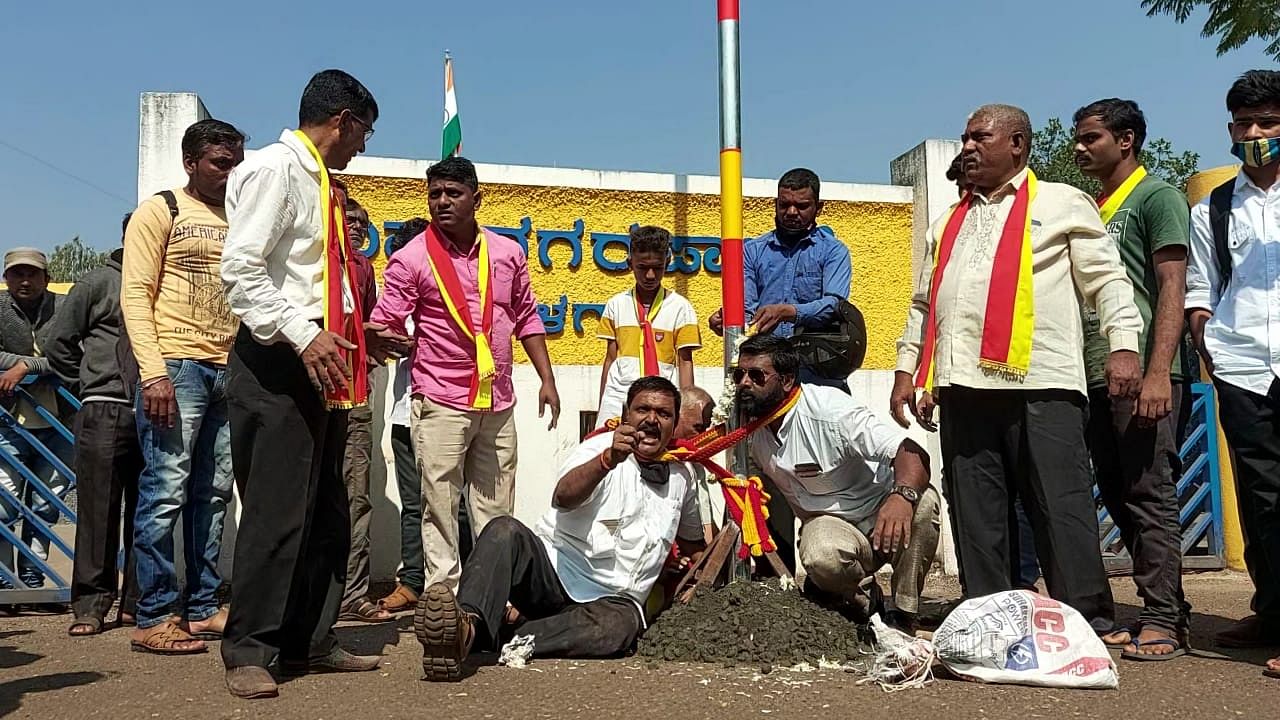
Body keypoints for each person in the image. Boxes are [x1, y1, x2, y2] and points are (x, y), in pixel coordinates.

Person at [891, 104, 1144, 635]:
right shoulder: (948, 222)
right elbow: (924, 304)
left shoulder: (1061, 202)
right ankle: (989, 619)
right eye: (964, 137)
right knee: (977, 515)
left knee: (1061, 507)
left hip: (1042, 385)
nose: (968, 147)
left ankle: (1086, 621)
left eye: (980, 137)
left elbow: (1109, 281)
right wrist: (907, 370)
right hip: (963, 389)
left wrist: (1123, 344)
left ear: (1018, 145)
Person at [219, 69, 407, 699]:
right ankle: (250, 649)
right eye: (364, 133)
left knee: (326, 510)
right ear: (343, 121)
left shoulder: (324, 184)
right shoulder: (274, 169)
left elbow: (317, 278)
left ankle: (310, 638)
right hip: (276, 364)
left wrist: (358, 333)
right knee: (274, 513)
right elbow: (242, 274)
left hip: (325, 362)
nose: (363, 146)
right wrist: (305, 334)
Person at [414, 376, 706, 680]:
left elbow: (694, 546)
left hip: (609, 602)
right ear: (625, 414)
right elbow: (563, 497)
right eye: (642, 410)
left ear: (674, 424)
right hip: (553, 577)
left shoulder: (682, 476)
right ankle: (467, 623)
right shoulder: (598, 448)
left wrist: (707, 581)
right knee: (504, 530)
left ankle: (487, 638)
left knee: (621, 625)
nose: (651, 420)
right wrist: (608, 460)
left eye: (663, 414)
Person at [370, 155, 560, 595]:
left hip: (497, 399)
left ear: (477, 198)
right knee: (439, 503)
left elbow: (527, 317)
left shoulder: (508, 253)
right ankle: (443, 598)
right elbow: (387, 324)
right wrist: (387, 339)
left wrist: (547, 380)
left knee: (495, 508)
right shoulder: (410, 258)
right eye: (434, 194)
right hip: (439, 399)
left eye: (453, 193)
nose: (442, 202)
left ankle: (489, 597)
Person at [120, 118, 244, 655]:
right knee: (165, 489)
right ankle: (153, 614)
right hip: (177, 361)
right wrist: (154, 372)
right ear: (191, 162)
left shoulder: (241, 215)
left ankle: (202, 607)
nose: (229, 172)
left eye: (236, 162)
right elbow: (134, 294)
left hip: (229, 366)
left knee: (213, 494)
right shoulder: (161, 209)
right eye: (220, 162)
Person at [1074, 98, 1192, 660]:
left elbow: (1172, 286)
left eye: (1090, 137)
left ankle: (1164, 619)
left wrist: (1157, 372)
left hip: (1146, 371)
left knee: (1150, 494)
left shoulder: (1156, 197)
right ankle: (1168, 607)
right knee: (1120, 495)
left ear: (1126, 141)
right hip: (1096, 374)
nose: (1078, 147)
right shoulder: (1092, 207)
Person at [736, 335, 939, 631]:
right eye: (738, 374)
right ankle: (865, 601)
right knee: (820, 554)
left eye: (756, 375)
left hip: (884, 514)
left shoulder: (829, 411)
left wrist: (901, 497)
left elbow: (912, 452)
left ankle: (905, 614)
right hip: (831, 526)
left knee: (924, 504)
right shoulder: (746, 427)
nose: (744, 383)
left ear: (788, 380)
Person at [708, 168, 854, 572]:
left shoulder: (833, 252)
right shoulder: (753, 252)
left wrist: (791, 311)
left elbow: (835, 306)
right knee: (763, 478)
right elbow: (749, 309)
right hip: (765, 389)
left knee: (827, 477)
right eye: (783, 204)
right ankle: (773, 572)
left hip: (816, 383)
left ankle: (839, 570)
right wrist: (732, 319)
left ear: (817, 208)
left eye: (801, 205)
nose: (791, 212)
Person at [1185, 70, 1280, 679]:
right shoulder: (1213, 207)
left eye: (1268, 123)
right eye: (1243, 124)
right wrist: (1205, 336)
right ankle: (1271, 612)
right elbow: (1202, 286)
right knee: (1262, 498)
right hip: (1243, 366)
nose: (1255, 134)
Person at [42, 215, 144, 635]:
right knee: (99, 509)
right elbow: (58, 343)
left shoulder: (166, 281)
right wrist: (89, 381)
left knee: (150, 511)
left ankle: (138, 602)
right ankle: (91, 604)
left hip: (160, 408)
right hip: (105, 405)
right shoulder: (98, 282)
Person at [331, 188, 393, 625]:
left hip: (355, 396)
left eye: (361, 224)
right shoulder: (311, 261)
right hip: (313, 394)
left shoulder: (363, 270)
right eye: (347, 220)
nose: (354, 228)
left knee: (357, 497)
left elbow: (370, 324)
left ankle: (352, 593)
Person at [0, 247, 73, 610]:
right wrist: (34, 364)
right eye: (16, 274)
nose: (24, 280)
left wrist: (26, 367)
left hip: (61, 423)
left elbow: (72, 355)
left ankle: (32, 580)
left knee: (46, 505)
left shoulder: (65, 308)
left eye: (32, 273)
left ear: (46, 276)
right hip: (10, 422)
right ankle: (4, 583)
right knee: (4, 503)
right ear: (5, 277)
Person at [595, 225, 700, 426]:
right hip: (619, 395)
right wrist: (603, 405)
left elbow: (685, 361)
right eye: (642, 268)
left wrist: (686, 409)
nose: (650, 275)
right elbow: (610, 358)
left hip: (661, 399)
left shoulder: (681, 307)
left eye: (657, 267)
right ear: (630, 264)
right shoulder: (616, 305)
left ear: (667, 263)